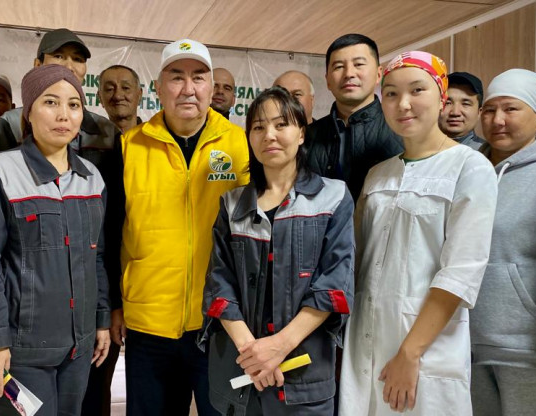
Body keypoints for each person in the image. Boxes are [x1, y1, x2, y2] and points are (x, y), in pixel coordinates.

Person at [339, 51, 497, 415]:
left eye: (417, 90)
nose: (403, 104)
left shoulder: (470, 167)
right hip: (365, 338)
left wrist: (410, 353)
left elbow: (461, 271)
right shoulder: (378, 174)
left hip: (425, 348)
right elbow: (358, 261)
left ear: (441, 97)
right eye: (391, 94)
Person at [112, 38, 249, 416]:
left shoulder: (240, 145)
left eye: (199, 77)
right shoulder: (129, 147)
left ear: (211, 86)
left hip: (220, 322)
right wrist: (114, 305)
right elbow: (110, 233)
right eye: (176, 77)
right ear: (158, 88)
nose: (188, 88)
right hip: (149, 325)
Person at [0, 65, 111, 416]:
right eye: (50, 102)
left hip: (78, 349)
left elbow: (96, 255)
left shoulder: (92, 177)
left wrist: (101, 319)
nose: (64, 114)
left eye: (74, 104)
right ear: (28, 112)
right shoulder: (2, 171)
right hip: (20, 352)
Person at [200, 86, 354, 415]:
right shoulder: (232, 203)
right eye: (258, 126)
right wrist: (254, 354)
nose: (269, 134)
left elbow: (334, 285)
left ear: (302, 133)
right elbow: (218, 283)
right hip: (241, 372)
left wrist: (278, 347)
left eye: (281, 124)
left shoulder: (334, 197)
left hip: (303, 374)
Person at [469, 69, 536, 416]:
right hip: (464, 347)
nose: (497, 120)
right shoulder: (468, 171)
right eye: (489, 110)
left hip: (532, 354)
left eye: (511, 109)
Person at [305, 33, 403, 202]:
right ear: (327, 80)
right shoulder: (308, 136)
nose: (349, 73)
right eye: (338, 67)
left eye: (359, 64)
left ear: (379, 74)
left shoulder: (402, 130)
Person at [438, 72, 485, 150]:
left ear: (479, 112)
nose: (455, 112)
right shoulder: (419, 151)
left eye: (465, 104)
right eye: (447, 103)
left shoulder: (488, 153)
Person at [98, 64, 143, 133]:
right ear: (100, 97)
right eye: (110, 89)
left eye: (125, 88)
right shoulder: (88, 139)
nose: (117, 96)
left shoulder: (154, 138)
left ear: (139, 95)